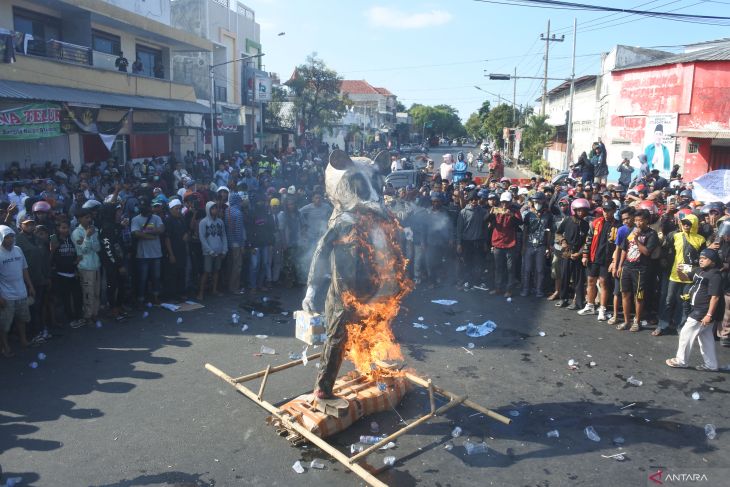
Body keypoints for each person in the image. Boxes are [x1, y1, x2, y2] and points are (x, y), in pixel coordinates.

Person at [666, 248, 722, 371]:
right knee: (706, 339)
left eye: (705, 259)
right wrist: (679, 271)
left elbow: (715, 297)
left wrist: (709, 315)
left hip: (702, 312)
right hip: (699, 310)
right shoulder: (698, 270)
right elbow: (685, 278)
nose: (701, 260)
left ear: (712, 262)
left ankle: (681, 361)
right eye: (701, 258)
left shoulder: (715, 275)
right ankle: (711, 365)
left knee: (686, 333)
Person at [654, 213, 705, 336]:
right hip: (674, 274)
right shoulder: (675, 236)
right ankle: (662, 325)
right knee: (668, 300)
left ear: (695, 224)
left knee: (684, 303)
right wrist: (664, 261)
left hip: (690, 276)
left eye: (689, 223)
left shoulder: (701, 239)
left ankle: (681, 326)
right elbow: (665, 249)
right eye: (684, 223)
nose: (686, 225)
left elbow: (702, 259)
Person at [617, 209, 659, 332]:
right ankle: (626, 321)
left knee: (638, 296)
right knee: (625, 293)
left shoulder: (651, 234)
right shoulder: (631, 231)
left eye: (640, 220)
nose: (637, 223)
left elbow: (646, 252)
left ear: (646, 220)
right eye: (636, 220)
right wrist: (620, 265)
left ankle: (637, 321)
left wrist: (636, 240)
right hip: (627, 266)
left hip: (641, 269)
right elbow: (624, 249)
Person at [580, 200, 620, 320]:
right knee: (591, 281)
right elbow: (588, 239)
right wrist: (585, 255)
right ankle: (590, 305)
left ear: (614, 211)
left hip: (607, 259)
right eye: (605, 210)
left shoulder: (618, 225)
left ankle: (602, 309)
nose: (606, 213)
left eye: (609, 210)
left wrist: (614, 262)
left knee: (604, 283)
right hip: (594, 257)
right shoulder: (596, 222)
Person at [0, 225, 35, 357]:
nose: (10, 240)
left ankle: (24, 340)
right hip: (6, 295)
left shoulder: (18, 250)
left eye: (11, 237)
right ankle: (5, 347)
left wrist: (30, 286)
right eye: (6, 237)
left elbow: (24, 269)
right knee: (4, 325)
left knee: (22, 319)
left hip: (21, 292)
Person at [555, 198, 590, 309]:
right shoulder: (567, 220)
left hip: (578, 254)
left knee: (578, 280)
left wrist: (579, 253)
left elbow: (587, 241)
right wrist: (563, 242)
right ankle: (563, 299)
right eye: (578, 210)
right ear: (574, 210)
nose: (581, 212)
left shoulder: (586, 224)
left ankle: (578, 302)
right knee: (565, 276)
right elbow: (558, 233)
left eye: (583, 210)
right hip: (567, 253)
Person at [131, 198, 165, 306]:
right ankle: (141, 299)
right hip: (142, 255)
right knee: (142, 279)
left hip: (156, 253)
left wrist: (145, 231)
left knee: (156, 277)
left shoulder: (156, 218)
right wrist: (152, 236)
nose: (144, 209)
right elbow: (136, 233)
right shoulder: (135, 219)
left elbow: (161, 229)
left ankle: (155, 297)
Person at [71, 208, 101, 328]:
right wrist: (88, 237)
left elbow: (97, 247)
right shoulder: (76, 233)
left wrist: (90, 237)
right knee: (88, 293)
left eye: (89, 217)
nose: (89, 220)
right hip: (85, 266)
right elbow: (83, 250)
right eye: (86, 217)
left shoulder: (94, 229)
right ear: (79, 219)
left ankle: (95, 313)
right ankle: (87, 315)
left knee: (97, 292)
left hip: (96, 264)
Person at [489, 191, 521, 297]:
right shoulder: (496, 210)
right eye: (503, 202)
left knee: (510, 268)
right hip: (498, 242)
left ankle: (509, 289)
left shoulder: (514, 211)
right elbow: (485, 220)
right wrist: (490, 213)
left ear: (510, 202)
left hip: (510, 243)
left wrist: (511, 215)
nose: (504, 205)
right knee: (498, 267)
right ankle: (498, 288)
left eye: (506, 202)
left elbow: (520, 223)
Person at [520, 192, 553, 297]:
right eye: (535, 201)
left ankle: (539, 290)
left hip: (541, 246)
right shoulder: (528, 215)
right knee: (527, 269)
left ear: (543, 202)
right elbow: (525, 230)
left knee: (540, 269)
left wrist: (548, 247)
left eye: (539, 201)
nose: (537, 203)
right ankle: (526, 289)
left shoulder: (548, 215)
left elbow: (549, 232)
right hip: (529, 245)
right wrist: (523, 246)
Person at [455, 190, 487, 288]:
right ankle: (467, 281)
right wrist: (459, 244)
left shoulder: (481, 210)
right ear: (469, 201)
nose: (474, 201)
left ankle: (477, 281)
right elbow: (459, 229)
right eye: (472, 199)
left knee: (478, 263)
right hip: (466, 242)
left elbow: (486, 221)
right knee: (467, 263)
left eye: (476, 199)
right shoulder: (463, 212)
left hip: (478, 241)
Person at [197, 202, 228, 300]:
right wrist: (210, 251)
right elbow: (202, 238)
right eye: (213, 208)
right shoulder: (203, 222)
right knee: (206, 272)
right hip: (208, 252)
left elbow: (223, 236)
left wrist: (224, 250)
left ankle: (214, 290)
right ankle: (200, 293)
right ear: (208, 209)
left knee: (216, 271)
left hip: (219, 251)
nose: (215, 210)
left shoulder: (220, 222)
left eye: (216, 208)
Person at [223, 192, 246, 294]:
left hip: (228, 243)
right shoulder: (238, 213)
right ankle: (234, 288)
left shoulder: (227, 210)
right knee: (237, 266)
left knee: (230, 265)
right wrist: (241, 245)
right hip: (236, 244)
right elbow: (239, 231)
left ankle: (228, 286)